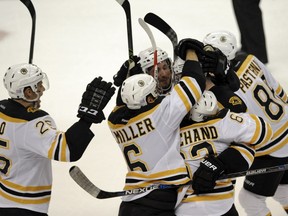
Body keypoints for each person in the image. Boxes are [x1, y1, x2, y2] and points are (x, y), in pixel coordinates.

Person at [0, 63, 115, 216]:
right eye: (38, 85)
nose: (41, 89)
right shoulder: (31, 122)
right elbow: (68, 149)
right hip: (23, 207)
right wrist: (87, 118)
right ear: (28, 92)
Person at [108, 38, 206, 216]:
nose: (162, 74)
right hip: (160, 197)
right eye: (155, 70)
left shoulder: (114, 122)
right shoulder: (163, 112)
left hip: (131, 199)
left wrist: (127, 85)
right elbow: (194, 83)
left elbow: (125, 108)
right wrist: (191, 53)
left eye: (165, 67)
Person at [202, 30, 288, 216]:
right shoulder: (250, 58)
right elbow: (281, 93)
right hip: (286, 128)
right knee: (284, 191)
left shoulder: (223, 92)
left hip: (273, 148)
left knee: (250, 201)